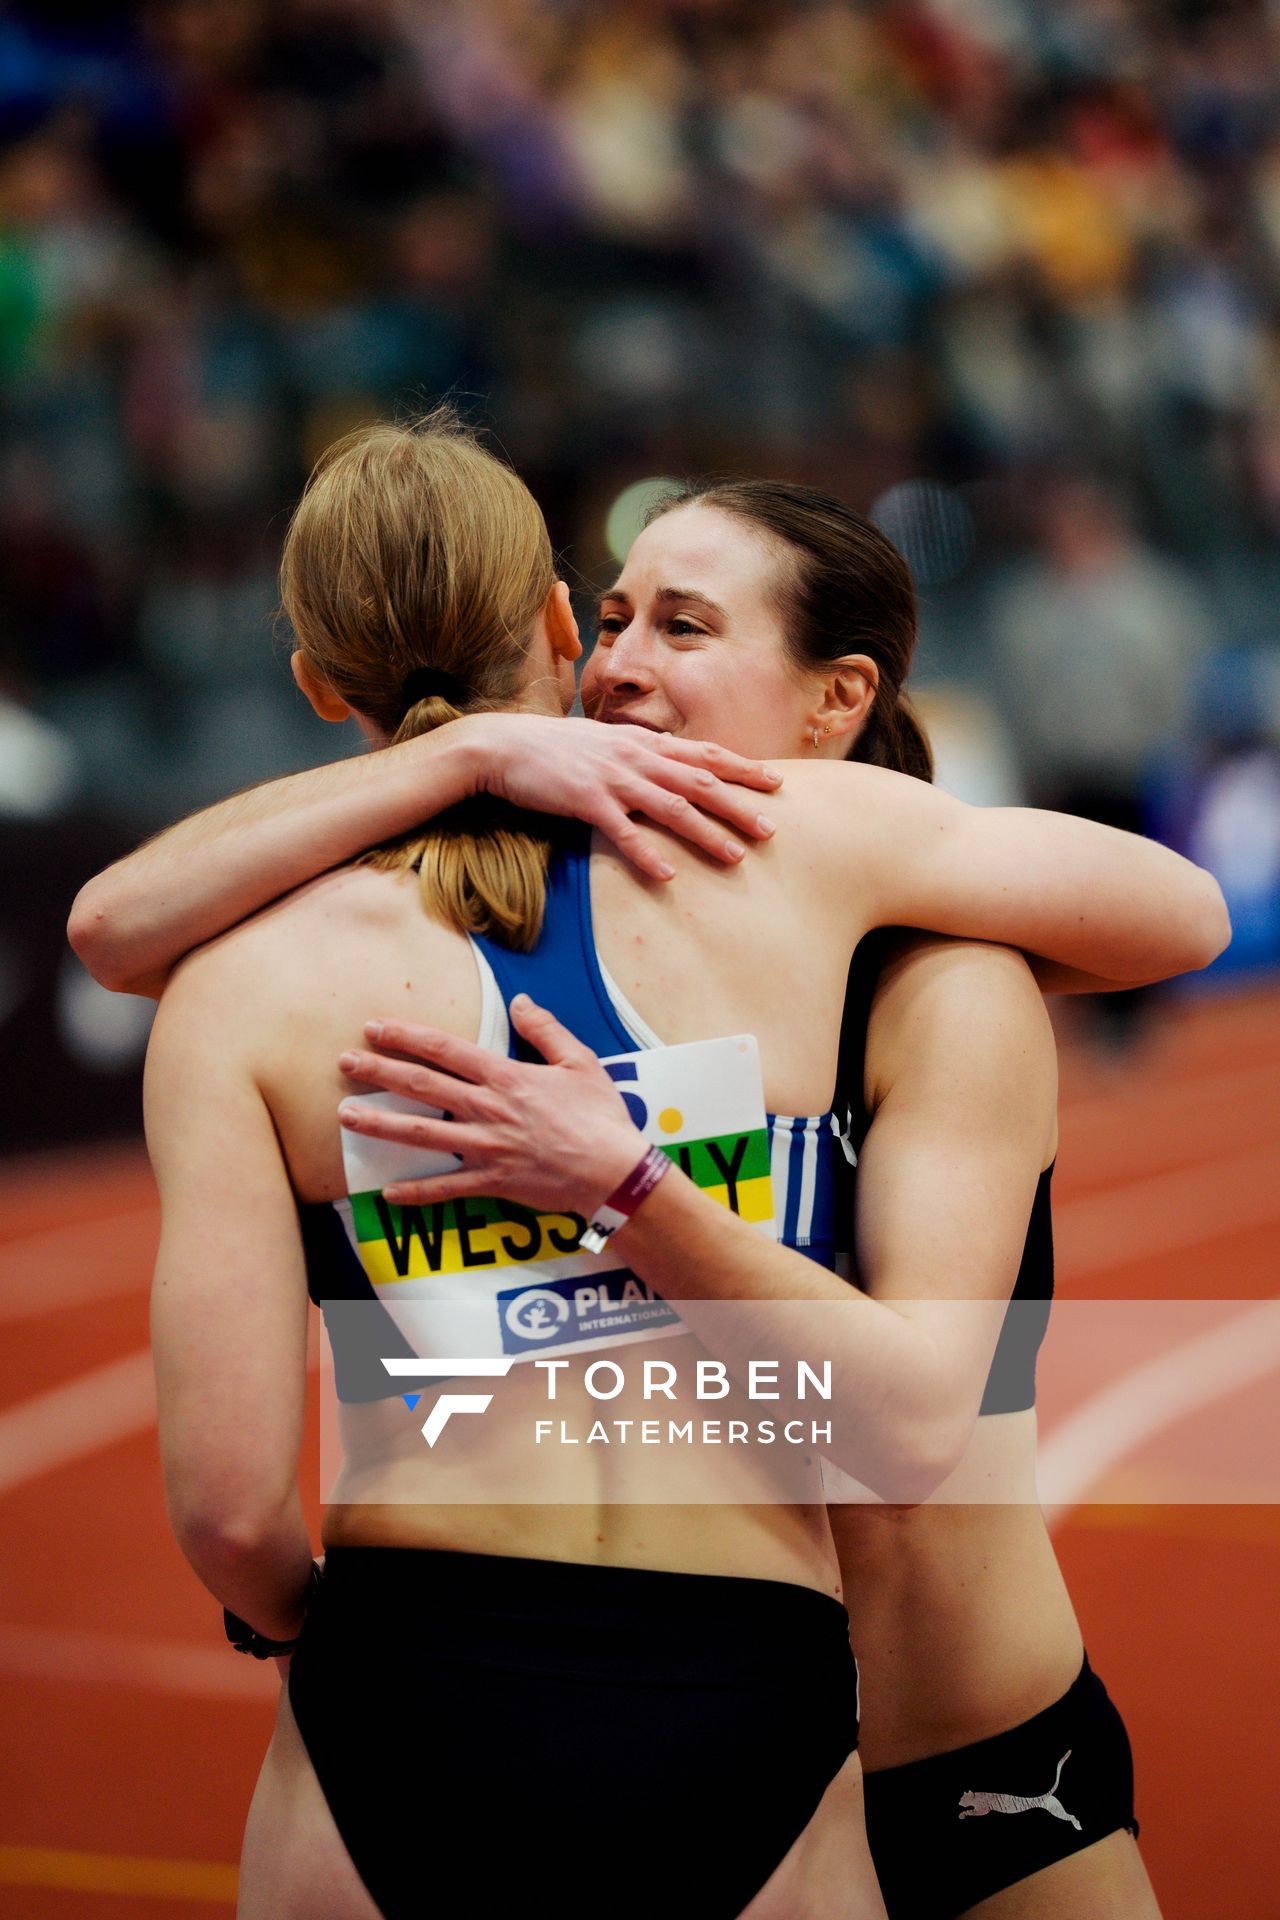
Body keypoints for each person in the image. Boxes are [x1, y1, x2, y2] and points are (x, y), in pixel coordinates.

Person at [86, 424, 1223, 1917]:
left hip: (934, 1731)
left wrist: (627, 1189)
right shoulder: (737, 889)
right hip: (749, 1687)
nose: (627, 664)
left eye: (684, 627)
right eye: (617, 618)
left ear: (839, 698)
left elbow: (1183, 920)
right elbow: (109, 926)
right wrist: (473, 754)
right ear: (560, 627)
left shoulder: (904, 928)